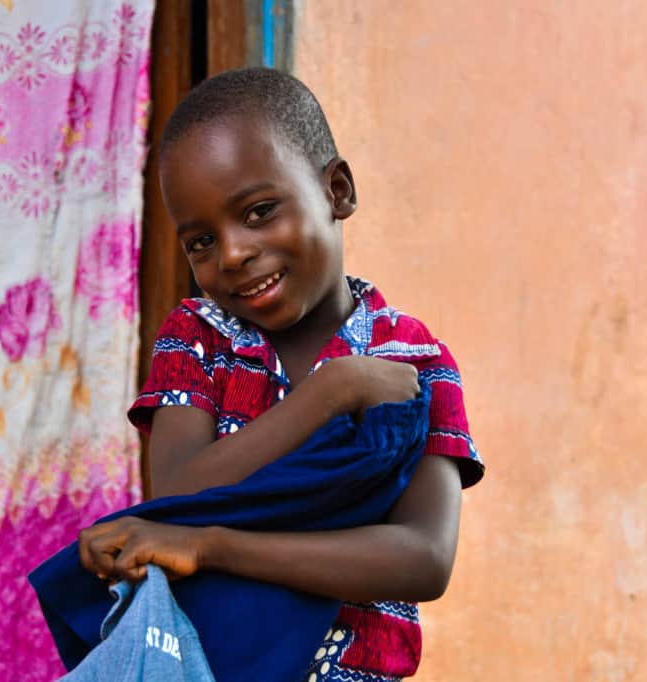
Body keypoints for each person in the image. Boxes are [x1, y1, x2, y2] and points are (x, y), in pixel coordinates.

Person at [77, 67, 484, 681]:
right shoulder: (198, 340)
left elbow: (424, 559)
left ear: (337, 191)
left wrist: (212, 546)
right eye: (200, 243)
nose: (233, 253)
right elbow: (181, 494)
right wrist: (329, 394)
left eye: (259, 211)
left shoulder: (416, 360)